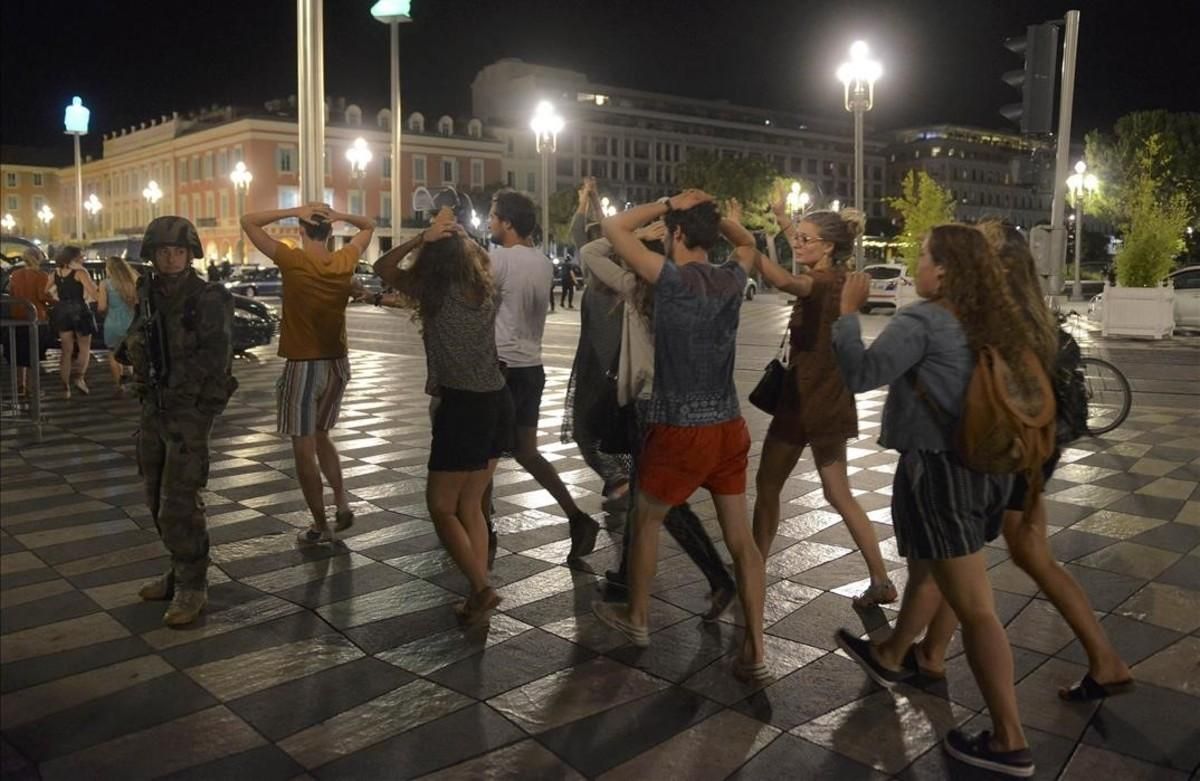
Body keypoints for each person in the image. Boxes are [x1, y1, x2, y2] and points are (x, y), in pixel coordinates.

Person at [831, 224, 1035, 777]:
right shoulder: (991, 319)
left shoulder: (923, 319)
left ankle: (1010, 739)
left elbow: (860, 373)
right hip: (987, 467)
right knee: (931, 568)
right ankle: (904, 655)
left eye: (921, 257)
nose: (915, 266)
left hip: (941, 471)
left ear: (943, 270)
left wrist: (848, 313)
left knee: (977, 608)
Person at [911, 222, 1132, 702]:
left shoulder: (997, 317)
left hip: (1011, 448)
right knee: (1008, 552)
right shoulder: (1035, 312)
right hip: (1039, 446)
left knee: (997, 552)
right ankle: (930, 652)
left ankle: (1104, 661)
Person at [591, 190, 768, 682]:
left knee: (647, 520)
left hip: (679, 426)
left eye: (671, 233)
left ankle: (639, 617)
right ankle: (756, 646)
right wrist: (717, 218)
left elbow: (613, 228)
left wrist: (670, 202)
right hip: (729, 426)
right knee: (742, 541)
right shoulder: (734, 278)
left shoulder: (669, 279)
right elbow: (748, 241)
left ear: (678, 235)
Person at [581, 216, 737, 619]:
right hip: (697, 406)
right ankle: (630, 579)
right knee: (645, 499)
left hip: (650, 405)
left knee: (657, 503)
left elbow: (590, 251)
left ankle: (710, 579)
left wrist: (632, 236)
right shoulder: (686, 287)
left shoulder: (636, 288)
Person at [752, 196, 896, 608]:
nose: (798, 245)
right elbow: (801, 264)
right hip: (830, 401)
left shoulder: (822, 283)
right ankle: (880, 578)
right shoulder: (834, 277)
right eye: (796, 238)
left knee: (767, 485)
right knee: (839, 492)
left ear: (828, 246)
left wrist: (748, 248)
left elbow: (787, 282)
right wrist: (783, 221)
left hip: (803, 402)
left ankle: (754, 569)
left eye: (805, 240)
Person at [373, 208, 510, 624]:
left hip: (463, 405)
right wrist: (462, 236)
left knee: (440, 506)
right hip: (497, 401)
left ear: (433, 258)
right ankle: (476, 592)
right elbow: (480, 257)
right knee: (471, 505)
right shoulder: (483, 288)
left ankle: (484, 589)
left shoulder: (432, 290)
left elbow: (382, 266)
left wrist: (421, 238)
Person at [122, 216, 236, 626]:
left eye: (178, 251)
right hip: (154, 405)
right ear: (152, 255)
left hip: (188, 412)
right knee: (154, 495)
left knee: (180, 500)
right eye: (163, 251)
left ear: (191, 254)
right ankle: (178, 568)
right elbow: (140, 335)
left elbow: (218, 356)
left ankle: (193, 584)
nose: (171, 258)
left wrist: (201, 405)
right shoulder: (148, 292)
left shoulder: (208, 297)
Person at [241, 203, 375, 544]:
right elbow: (369, 226)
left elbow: (249, 220)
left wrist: (294, 208)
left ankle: (320, 525)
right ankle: (342, 501)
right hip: (336, 365)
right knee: (322, 435)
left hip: (303, 365)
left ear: (301, 230)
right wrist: (342, 216)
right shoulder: (345, 259)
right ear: (330, 232)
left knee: (303, 448)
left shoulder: (292, 259)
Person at [486, 189, 598, 561]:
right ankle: (577, 516)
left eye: (493, 215)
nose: (488, 221)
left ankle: (481, 524)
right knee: (527, 452)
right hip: (532, 367)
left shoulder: (498, 259)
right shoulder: (543, 262)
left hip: (501, 368)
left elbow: (477, 305)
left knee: (483, 454)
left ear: (508, 223)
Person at [563, 178, 631, 514]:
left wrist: (585, 201)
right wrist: (590, 201)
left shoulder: (605, 280)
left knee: (584, 430)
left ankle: (618, 479)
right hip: (615, 368)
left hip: (600, 369)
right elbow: (593, 233)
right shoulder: (620, 279)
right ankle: (622, 479)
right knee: (613, 430)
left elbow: (583, 234)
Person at [44, 246, 99, 397]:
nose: (83, 259)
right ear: (73, 258)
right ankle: (79, 378)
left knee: (66, 350)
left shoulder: (55, 273)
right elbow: (94, 293)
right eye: (81, 256)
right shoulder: (80, 273)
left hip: (62, 311)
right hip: (80, 310)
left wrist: (58, 300)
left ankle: (65, 388)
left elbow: (45, 291)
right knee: (84, 348)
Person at [4, 249, 52, 397]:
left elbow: (11, 293)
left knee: (19, 353)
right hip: (36, 317)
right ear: (39, 259)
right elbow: (42, 295)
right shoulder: (41, 275)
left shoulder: (16, 275)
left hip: (17, 317)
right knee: (34, 354)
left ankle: (20, 385)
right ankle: (32, 388)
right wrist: (53, 300)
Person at [98, 256, 138, 395]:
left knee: (114, 355)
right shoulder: (134, 281)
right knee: (134, 353)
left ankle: (120, 385)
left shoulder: (105, 284)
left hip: (113, 323)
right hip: (132, 322)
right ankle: (136, 382)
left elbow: (101, 307)